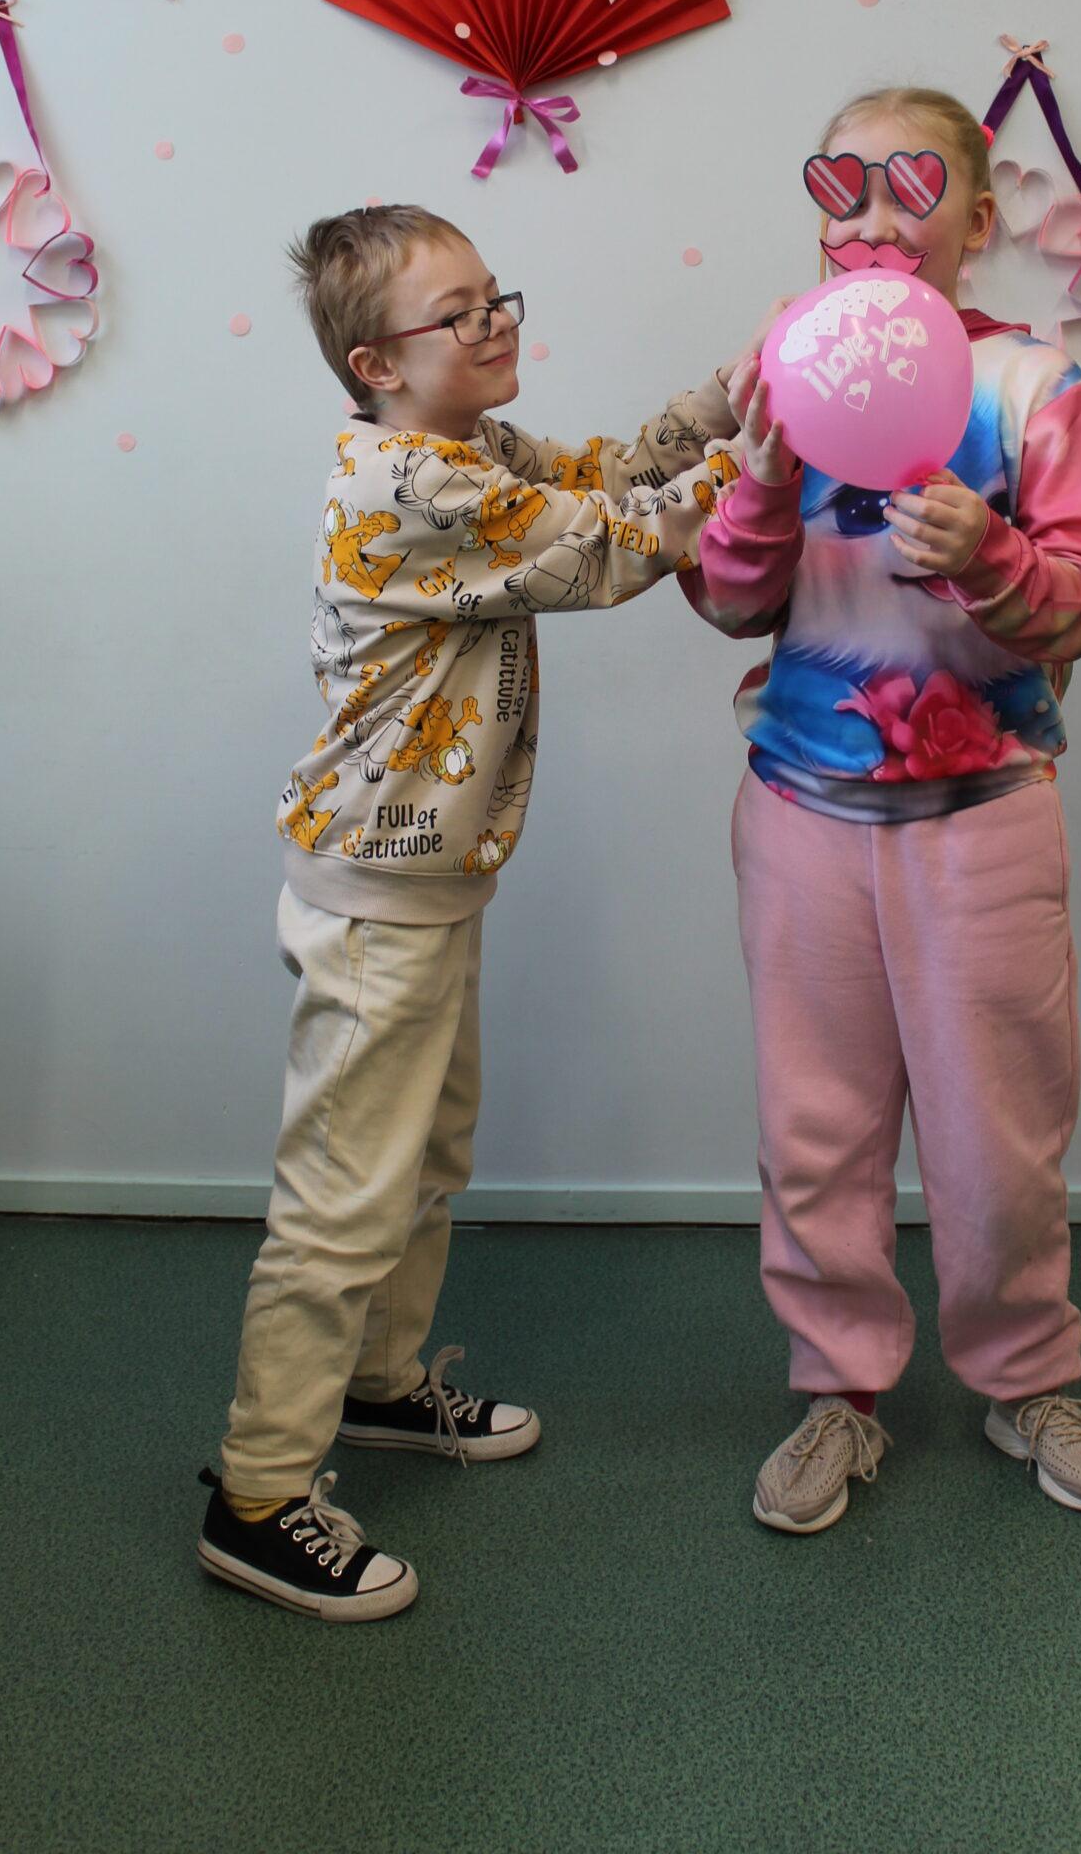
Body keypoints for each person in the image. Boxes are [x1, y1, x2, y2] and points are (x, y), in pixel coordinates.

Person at [199, 203, 742, 1619]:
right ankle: (257, 1495)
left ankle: (380, 1385)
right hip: (375, 898)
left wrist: (719, 402)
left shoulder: (472, 449)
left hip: (432, 882)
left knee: (428, 1153)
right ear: (377, 364)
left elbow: (599, 471)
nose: (497, 322)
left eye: (498, 295)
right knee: (344, 1195)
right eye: (461, 312)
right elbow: (611, 544)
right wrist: (766, 462)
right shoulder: (409, 489)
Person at [680, 88, 1081, 1535]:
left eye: (912, 186)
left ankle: (1028, 1378)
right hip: (802, 812)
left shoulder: (1032, 384)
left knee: (1001, 1127)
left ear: (979, 219)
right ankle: (837, 1390)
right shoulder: (782, 371)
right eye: (844, 186)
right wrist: (763, 481)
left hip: (984, 809)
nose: (873, 218)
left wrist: (991, 553)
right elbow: (725, 600)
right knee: (814, 1125)